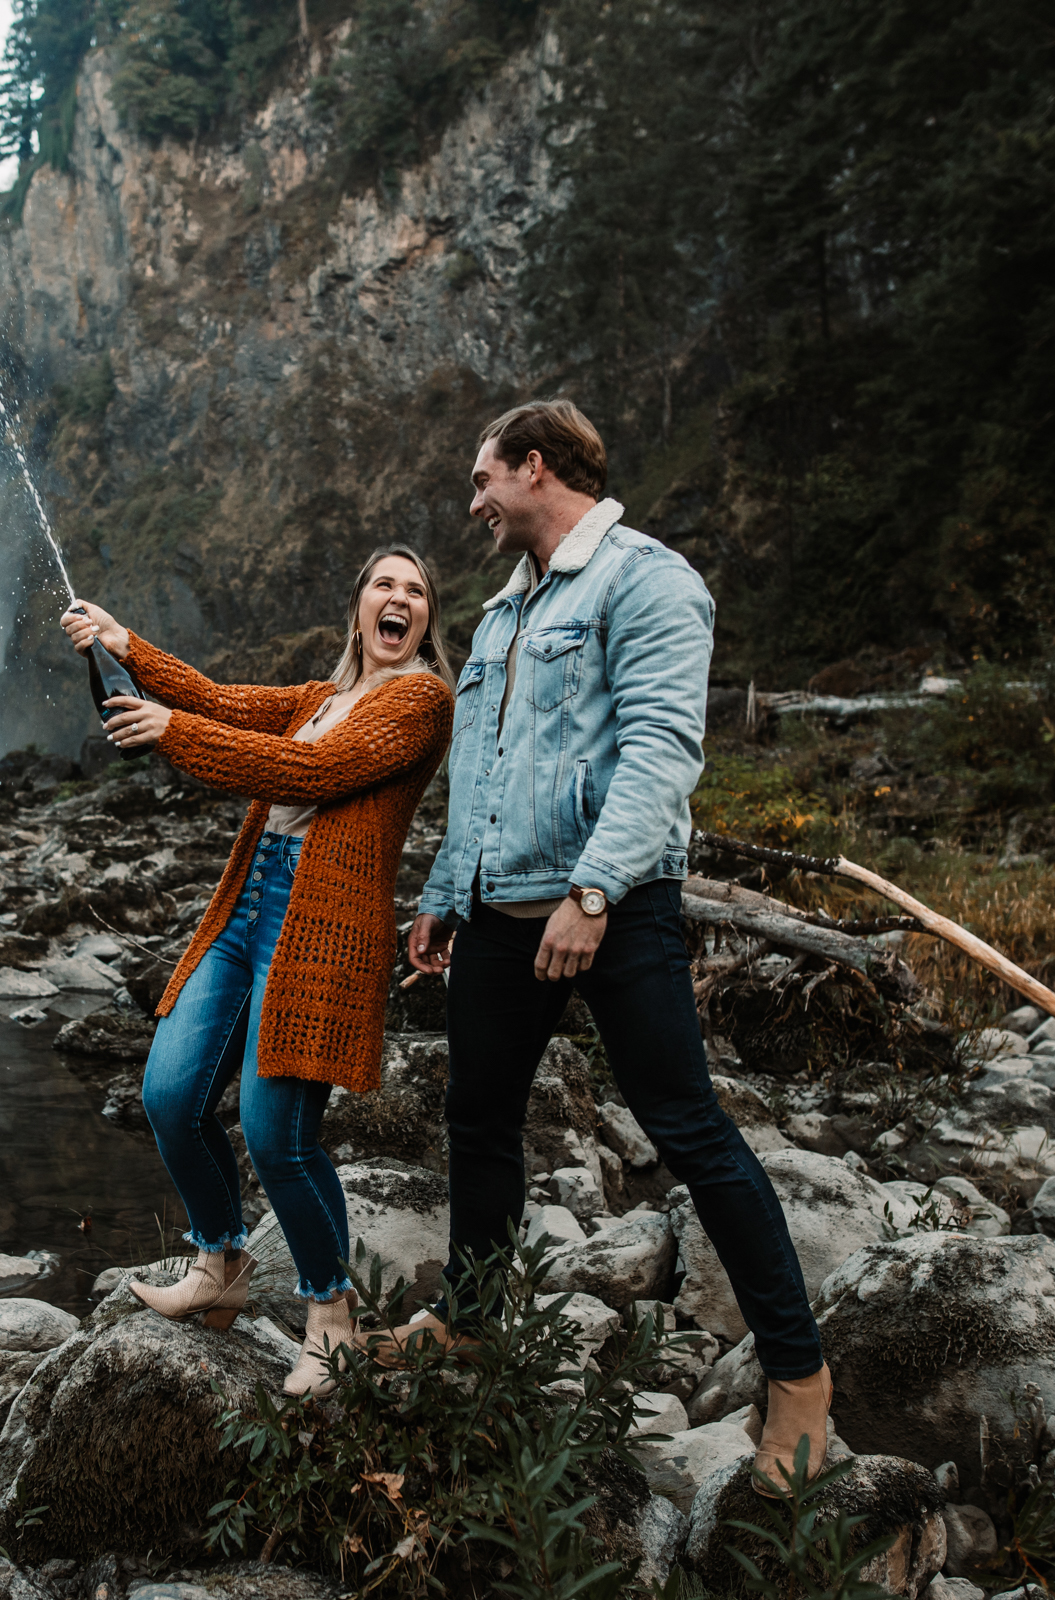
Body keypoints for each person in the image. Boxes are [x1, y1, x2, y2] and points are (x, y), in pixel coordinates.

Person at [396, 400, 834, 1494]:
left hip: (616, 904)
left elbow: (661, 753)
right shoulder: (499, 616)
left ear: (534, 466)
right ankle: (469, 1320)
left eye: (482, 477)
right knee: (478, 1117)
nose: (473, 502)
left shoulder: (649, 579)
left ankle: (800, 1380)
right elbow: (482, 780)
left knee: (686, 1126)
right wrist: (447, 894)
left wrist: (592, 892)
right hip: (497, 914)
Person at [58, 547, 453, 1397]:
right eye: (383, 584)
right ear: (358, 608)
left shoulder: (422, 700)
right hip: (248, 910)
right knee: (169, 1095)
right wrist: (124, 642)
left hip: (322, 933)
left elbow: (310, 771)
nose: (399, 599)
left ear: (425, 618)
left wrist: (173, 734)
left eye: (415, 591)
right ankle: (221, 1261)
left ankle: (331, 1317)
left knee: (280, 1136)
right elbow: (221, 701)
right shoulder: (320, 698)